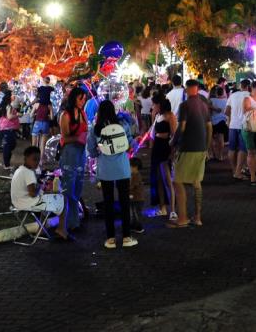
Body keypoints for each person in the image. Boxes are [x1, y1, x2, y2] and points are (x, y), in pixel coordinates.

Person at [87, 99, 137, 248]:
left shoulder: (95, 129)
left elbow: (91, 151)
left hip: (105, 170)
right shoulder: (123, 125)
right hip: (122, 168)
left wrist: (100, 152)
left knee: (108, 203)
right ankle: (127, 237)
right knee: (124, 202)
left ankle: (110, 239)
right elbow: (129, 144)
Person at [169, 80, 213, 228]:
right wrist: (206, 147)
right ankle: (198, 217)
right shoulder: (203, 105)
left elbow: (181, 127)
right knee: (196, 182)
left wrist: (173, 142)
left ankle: (182, 218)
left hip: (188, 147)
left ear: (187, 89)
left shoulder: (185, 105)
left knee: (178, 181)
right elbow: (209, 127)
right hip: (201, 148)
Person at [10, 146, 71, 241]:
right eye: (34, 159)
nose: (37, 162)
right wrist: (41, 185)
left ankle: (42, 228)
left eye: (38, 159)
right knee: (63, 198)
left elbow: (31, 191)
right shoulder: (28, 172)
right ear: (26, 158)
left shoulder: (20, 170)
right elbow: (33, 193)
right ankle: (61, 229)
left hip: (17, 202)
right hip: (27, 203)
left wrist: (41, 189)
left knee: (45, 197)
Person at [58, 87, 89, 235]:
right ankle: (70, 222)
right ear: (74, 98)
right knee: (69, 186)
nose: (83, 101)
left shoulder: (83, 113)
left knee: (78, 184)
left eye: (84, 99)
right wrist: (78, 138)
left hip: (81, 152)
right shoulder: (65, 115)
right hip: (69, 152)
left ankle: (74, 219)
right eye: (80, 98)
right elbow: (64, 137)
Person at [149, 93, 176, 218]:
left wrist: (172, 152)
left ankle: (173, 209)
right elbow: (152, 133)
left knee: (167, 179)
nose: (153, 106)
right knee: (158, 178)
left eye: (154, 104)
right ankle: (162, 207)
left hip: (165, 147)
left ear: (159, 105)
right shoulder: (157, 115)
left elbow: (174, 135)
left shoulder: (170, 116)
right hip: (157, 147)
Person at [225, 79, 252, 181]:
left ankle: (234, 170)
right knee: (243, 149)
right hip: (244, 125)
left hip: (233, 125)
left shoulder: (233, 95)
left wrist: (232, 118)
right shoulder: (250, 95)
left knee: (231, 149)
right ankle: (238, 172)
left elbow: (226, 111)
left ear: (241, 86)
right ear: (248, 86)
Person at [241, 81, 256, 185]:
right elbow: (246, 109)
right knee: (251, 152)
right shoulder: (247, 99)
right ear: (252, 88)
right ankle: (253, 176)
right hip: (249, 128)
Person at [0, 90, 21, 169]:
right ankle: (6, 164)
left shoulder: (2, 105)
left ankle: (6, 163)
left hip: (3, 127)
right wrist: (17, 115)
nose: (13, 97)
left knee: (9, 145)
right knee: (9, 145)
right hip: (8, 128)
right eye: (11, 95)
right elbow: (9, 117)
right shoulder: (8, 106)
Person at [209, 85, 228, 162]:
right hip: (222, 122)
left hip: (212, 121)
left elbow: (209, 110)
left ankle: (213, 154)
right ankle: (220, 155)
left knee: (211, 139)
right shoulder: (226, 101)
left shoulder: (211, 100)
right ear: (223, 93)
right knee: (221, 139)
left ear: (216, 93)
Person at [32, 90, 52, 165]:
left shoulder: (36, 104)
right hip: (45, 124)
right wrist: (48, 116)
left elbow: (31, 115)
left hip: (37, 123)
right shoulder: (49, 105)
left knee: (34, 143)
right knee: (42, 145)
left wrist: (35, 115)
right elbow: (52, 117)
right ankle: (40, 161)